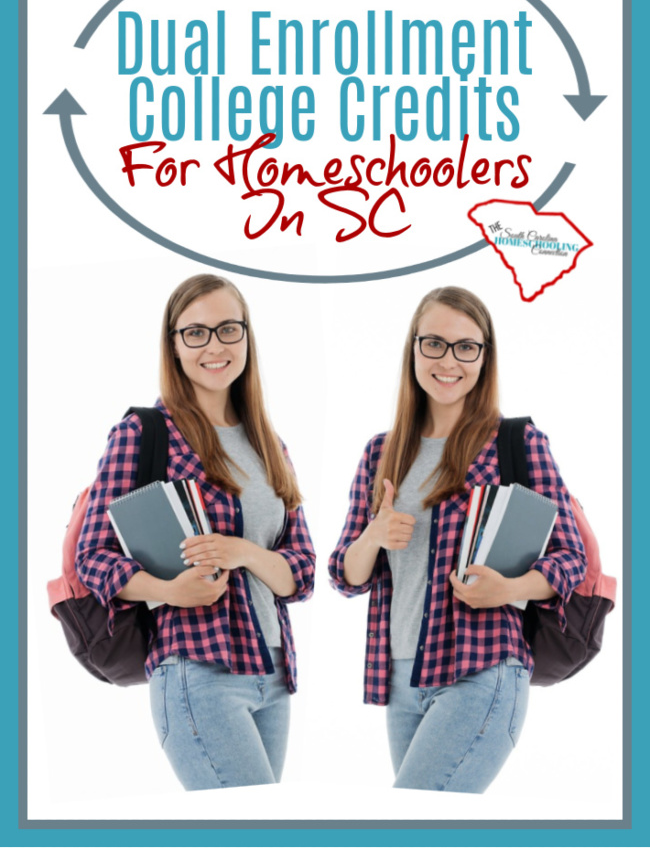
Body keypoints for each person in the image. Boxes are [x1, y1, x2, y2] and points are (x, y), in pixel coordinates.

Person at [328, 286, 586, 793]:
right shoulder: (382, 452)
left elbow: (571, 558)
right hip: (401, 676)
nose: (450, 361)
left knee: (415, 820)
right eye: (435, 344)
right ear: (414, 349)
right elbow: (346, 576)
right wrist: (375, 535)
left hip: (482, 667)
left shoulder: (516, 442)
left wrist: (509, 589)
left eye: (466, 346)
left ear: (484, 357)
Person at [77, 274, 315, 790]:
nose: (215, 346)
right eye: (196, 333)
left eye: (229, 329)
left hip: (274, 672)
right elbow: (91, 557)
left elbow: (302, 571)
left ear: (247, 337)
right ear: (174, 345)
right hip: (197, 670)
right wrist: (167, 591)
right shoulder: (143, 434)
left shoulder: (269, 444)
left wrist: (244, 552)